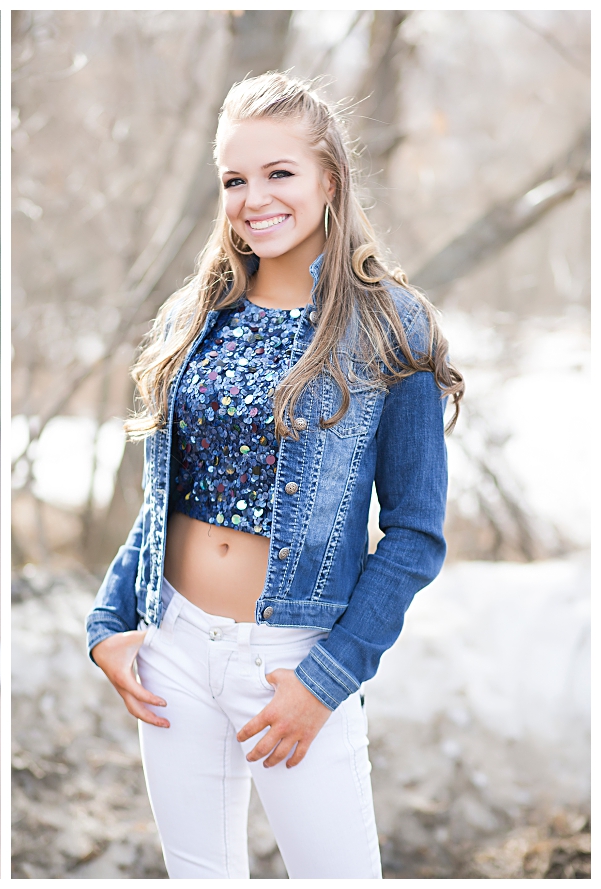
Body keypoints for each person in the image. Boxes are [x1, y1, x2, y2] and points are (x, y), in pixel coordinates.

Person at [86, 72, 463, 879]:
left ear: (329, 177)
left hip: (294, 660)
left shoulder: (391, 326)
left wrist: (327, 679)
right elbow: (167, 499)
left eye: (278, 173)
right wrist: (108, 624)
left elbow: (414, 534)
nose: (253, 198)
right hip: (174, 647)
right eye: (233, 179)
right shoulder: (194, 314)